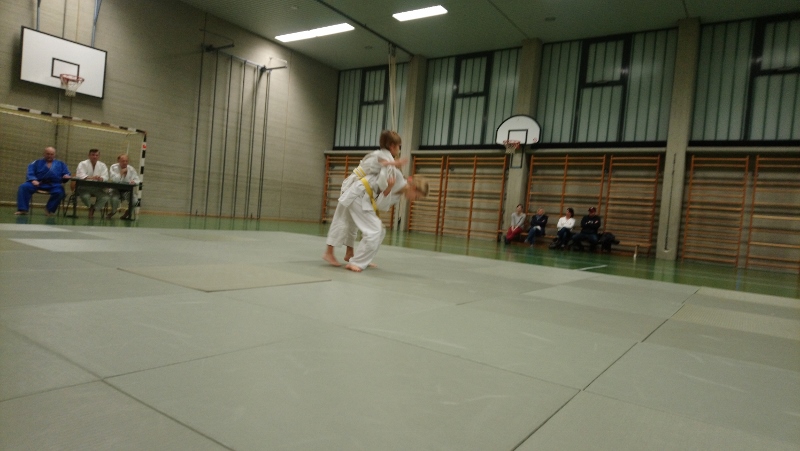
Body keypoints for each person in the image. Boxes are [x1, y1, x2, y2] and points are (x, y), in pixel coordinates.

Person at [323, 130, 406, 266]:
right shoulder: (383, 155)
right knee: (342, 219)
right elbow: (381, 166)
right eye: (399, 146)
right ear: (392, 146)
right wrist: (394, 165)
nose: (399, 149)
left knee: (352, 222)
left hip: (359, 188)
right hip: (354, 186)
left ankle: (350, 253)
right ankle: (329, 252)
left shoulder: (387, 158)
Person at [344, 173, 429, 272]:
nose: (413, 200)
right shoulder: (397, 178)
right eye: (416, 197)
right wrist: (388, 185)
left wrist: (388, 189)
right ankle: (356, 262)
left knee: (381, 231)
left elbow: (380, 205)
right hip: (358, 196)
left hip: (366, 203)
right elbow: (382, 173)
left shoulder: (397, 196)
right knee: (375, 230)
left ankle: (364, 260)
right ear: (414, 188)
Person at [15, 146, 72, 216]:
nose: (49, 156)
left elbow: (66, 173)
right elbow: (30, 172)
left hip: (54, 184)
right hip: (38, 183)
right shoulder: (36, 163)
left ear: (54, 155)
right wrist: (33, 180)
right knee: (23, 187)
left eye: (51, 154)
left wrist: (66, 176)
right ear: (44, 154)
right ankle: (23, 209)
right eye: (48, 154)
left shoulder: (61, 164)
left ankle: (49, 209)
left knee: (60, 192)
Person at [75, 148, 110, 218]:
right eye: (93, 155)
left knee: (105, 197)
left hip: (97, 188)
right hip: (84, 188)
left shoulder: (102, 165)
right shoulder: (82, 164)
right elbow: (79, 175)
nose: (95, 157)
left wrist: (101, 178)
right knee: (85, 197)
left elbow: (106, 176)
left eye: (96, 155)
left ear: (99, 156)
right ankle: (90, 206)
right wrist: (92, 177)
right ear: (89, 155)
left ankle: (93, 209)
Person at [107, 153, 140, 219]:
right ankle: (113, 211)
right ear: (118, 161)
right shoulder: (114, 167)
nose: (125, 163)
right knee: (114, 199)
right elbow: (114, 180)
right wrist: (121, 173)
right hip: (115, 189)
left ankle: (128, 212)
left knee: (135, 201)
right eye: (123, 161)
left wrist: (134, 182)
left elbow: (137, 180)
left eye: (126, 161)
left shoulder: (131, 169)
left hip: (127, 190)